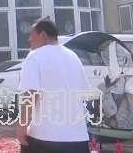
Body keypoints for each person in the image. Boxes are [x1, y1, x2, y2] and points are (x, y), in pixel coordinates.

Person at [17, 18, 92, 153]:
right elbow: (84, 94)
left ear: (43, 35)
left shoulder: (35, 57)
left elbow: (31, 95)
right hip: (77, 137)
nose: (29, 39)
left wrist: (22, 126)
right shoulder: (73, 57)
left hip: (44, 137)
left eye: (31, 35)